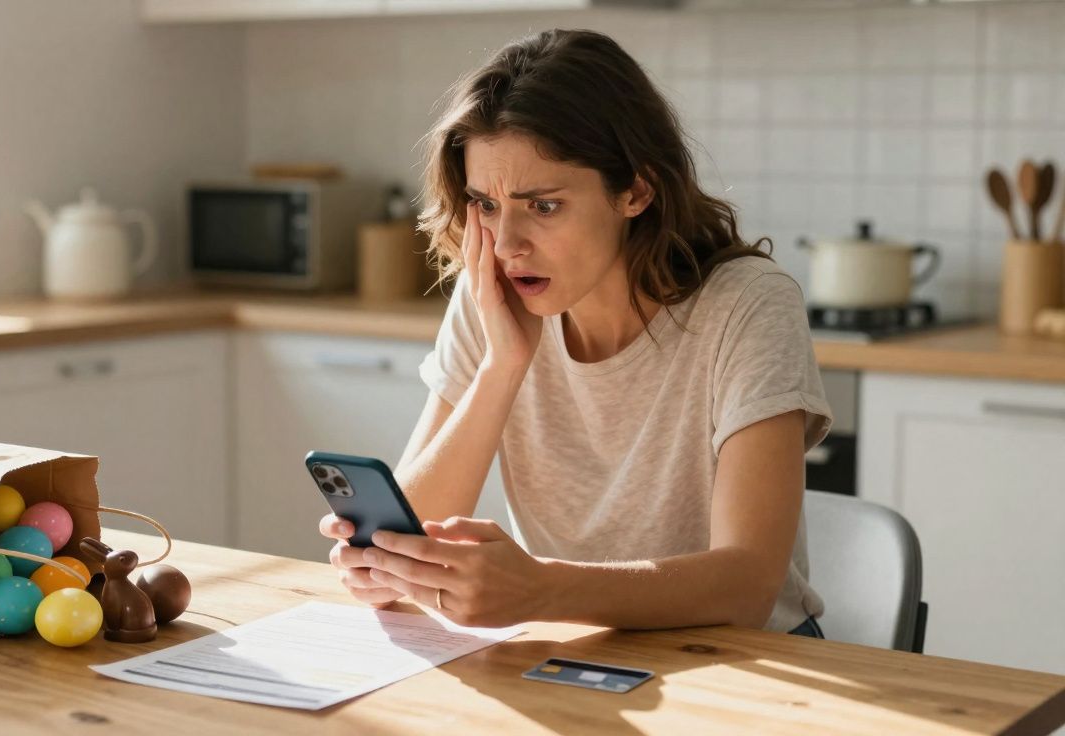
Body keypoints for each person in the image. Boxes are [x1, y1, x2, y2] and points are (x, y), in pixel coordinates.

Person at [318, 28, 832, 638]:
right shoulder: (497, 293)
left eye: (544, 206)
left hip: (753, 662)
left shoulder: (746, 306)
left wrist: (539, 588)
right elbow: (407, 538)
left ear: (636, 190)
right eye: (485, 204)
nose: (506, 245)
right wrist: (502, 366)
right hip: (579, 647)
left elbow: (746, 587)